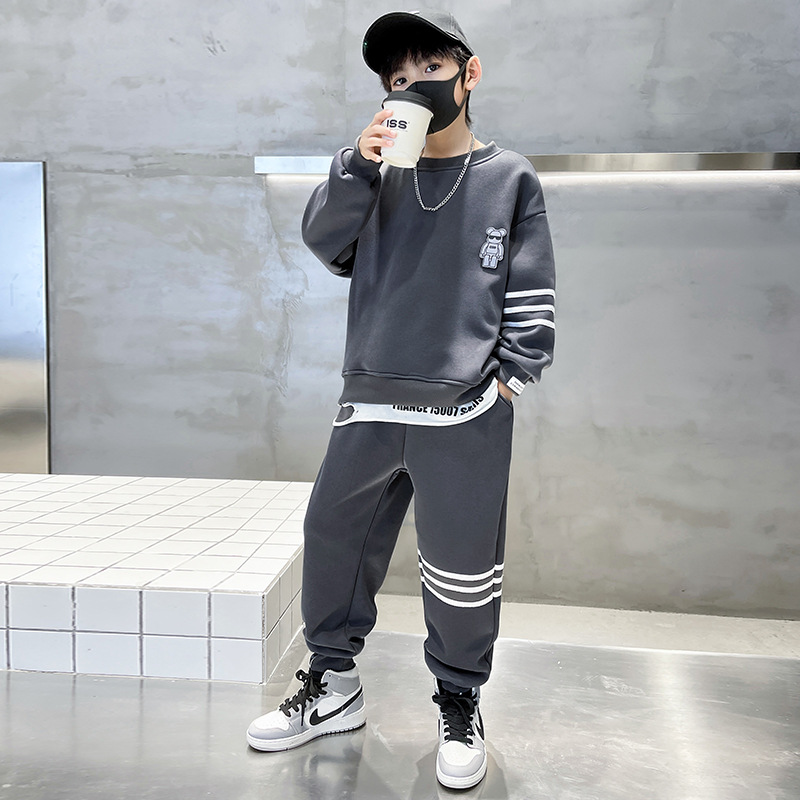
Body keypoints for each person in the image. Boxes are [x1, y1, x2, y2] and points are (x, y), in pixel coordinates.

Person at [247, 10, 555, 790]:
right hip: (371, 401)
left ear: (469, 74)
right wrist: (357, 162)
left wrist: (510, 378)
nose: (413, 86)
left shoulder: (510, 176)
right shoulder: (376, 174)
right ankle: (333, 686)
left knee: (461, 565)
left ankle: (459, 701)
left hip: (466, 410)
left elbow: (531, 290)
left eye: (429, 69)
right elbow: (326, 243)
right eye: (398, 78)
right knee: (334, 540)